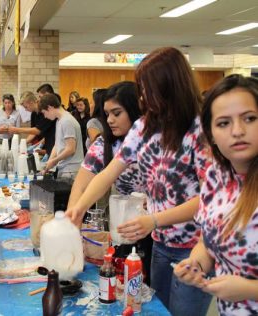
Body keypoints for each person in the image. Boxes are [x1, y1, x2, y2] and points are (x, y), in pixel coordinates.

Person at [66, 47, 212, 315]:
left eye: (148, 89)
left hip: (195, 248)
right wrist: (79, 207)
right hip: (160, 244)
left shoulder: (200, 131)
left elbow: (208, 200)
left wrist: (154, 220)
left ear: (170, 86)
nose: (143, 96)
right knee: (156, 310)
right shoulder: (143, 127)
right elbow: (109, 172)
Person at [174, 74, 258, 315]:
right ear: (210, 135)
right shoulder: (216, 176)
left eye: (249, 118)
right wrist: (195, 264)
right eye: (223, 123)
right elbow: (207, 241)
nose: (238, 131)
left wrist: (250, 289)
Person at [67, 81, 152, 284]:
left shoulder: (153, 142)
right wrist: (73, 217)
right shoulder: (105, 144)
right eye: (107, 114)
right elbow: (82, 183)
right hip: (125, 231)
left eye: (117, 113)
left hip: (158, 230)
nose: (111, 120)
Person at [39, 93, 84, 179]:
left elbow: (71, 149)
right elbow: (57, 145)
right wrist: (49, 163)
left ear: (50, 108)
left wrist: (54, 161)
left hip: (71, 170)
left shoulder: (67, 121)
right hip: (64, 168)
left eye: (44, 113)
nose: (45, 116)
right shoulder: (59, 120)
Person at [8, 91, 56, 156]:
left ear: (31, 103)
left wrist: (17, 129)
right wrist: (23, 143)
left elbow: (38, 130)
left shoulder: (45, 112)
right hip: (44, 144)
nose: (25, 110)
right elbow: (33, 132)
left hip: (52, 144)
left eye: (26, 107)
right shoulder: (33, 114)